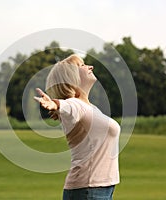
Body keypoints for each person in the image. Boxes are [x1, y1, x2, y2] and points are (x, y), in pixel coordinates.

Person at [34, 54, 121, 200]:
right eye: (81, 65)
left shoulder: (91, 108)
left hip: (100, 189)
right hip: (88, 190)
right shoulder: (76, 104)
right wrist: (55, 104)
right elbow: (69, 106)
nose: (90, 67)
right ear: (70, 78)